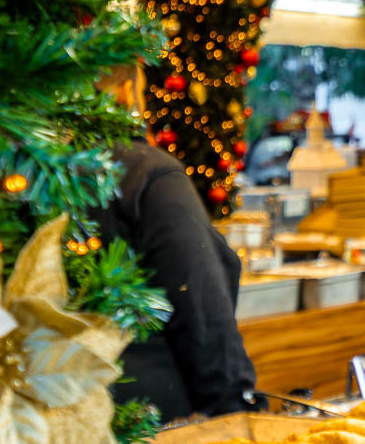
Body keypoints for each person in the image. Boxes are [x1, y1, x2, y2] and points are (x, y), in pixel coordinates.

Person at [94, 66, 263, 422]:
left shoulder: (17, 171)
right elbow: (203, 312)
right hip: (147, 429)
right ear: (127, 92)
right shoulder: (144, 171)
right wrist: (238, 415)